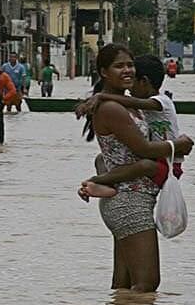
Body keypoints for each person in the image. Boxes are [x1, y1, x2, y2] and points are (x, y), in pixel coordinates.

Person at [77, 43, 194, 293]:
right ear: (104, 72)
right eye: (119, 66)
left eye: (130, 65)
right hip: (129, 201)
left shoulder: (129, 104)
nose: (127, 70)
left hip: (130, 196)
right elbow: (143, 149)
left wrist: (101, 95)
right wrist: (178, 145)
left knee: (124, 284)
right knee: (147, 283)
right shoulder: (112, 109)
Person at [76, 54, 186, 199]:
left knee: (145, 166)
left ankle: (96, 180)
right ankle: (109, 186)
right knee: (100, 159)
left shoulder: (161, 102)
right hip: (156, 157)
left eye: (132, 82)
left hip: (168, 165)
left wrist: (103, 96)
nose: (129, 89)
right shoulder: (139, 109)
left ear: (144, 82)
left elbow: (133, 102)